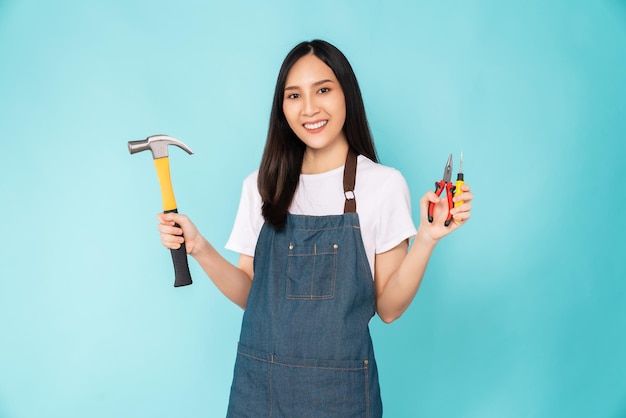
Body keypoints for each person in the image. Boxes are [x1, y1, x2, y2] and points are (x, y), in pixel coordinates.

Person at [157, 39, 473, 417]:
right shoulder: (261, 186)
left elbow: (387, 308)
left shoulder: (383, 185)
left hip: (340, 396)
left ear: (346, 94)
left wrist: (426, 237)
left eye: (323, 89)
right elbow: (251, 295)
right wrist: (199, 247)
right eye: (294, 95)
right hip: (260, 389)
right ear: (282, 107)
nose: (309, 108)